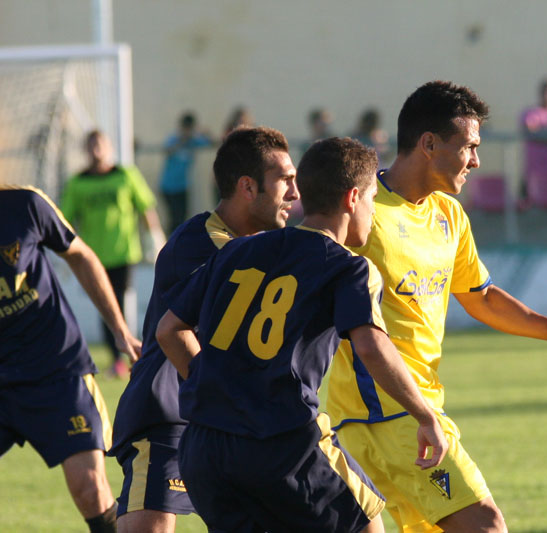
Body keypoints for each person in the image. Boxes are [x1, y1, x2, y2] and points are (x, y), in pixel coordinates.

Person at [326, 81, 547, 532]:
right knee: (486, 525)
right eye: (469, 146)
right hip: (387, 413)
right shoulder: (364, 212)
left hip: (414, 413)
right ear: (428, 144)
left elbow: (480, 297)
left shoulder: (448, 214)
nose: (477, 160)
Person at [156, 137, 448, 532]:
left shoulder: (237, 251)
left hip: (205, 450)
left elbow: (169, 329)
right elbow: (371, 346)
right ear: (352, 198)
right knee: (367, 524)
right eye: (372, 200)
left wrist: (219, 389)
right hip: (283, 442)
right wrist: (425, 415)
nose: (373, 214)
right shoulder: (348, 267)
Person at [109, 126, 299, 533]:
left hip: (229, 423)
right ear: (248, 187)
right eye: (285, 180)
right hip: (169, 416)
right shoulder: (202, 245)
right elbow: (175, 333)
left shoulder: (254, 247)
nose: (295, 194)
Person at [0, 184, 141, 533]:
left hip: (55, 369)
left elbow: (81, 255)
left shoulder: (25, 204)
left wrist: (119, 330)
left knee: (90, 488)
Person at [60, 130, 165, 378]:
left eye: (100, 143)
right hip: (93, 257)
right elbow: (65, 220)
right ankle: (118, 359)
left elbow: (145, 207)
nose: (96, 148)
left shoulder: (125, 175)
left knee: (119, 301)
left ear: (108, 147)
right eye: (91, 144)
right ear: (86, 149)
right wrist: (63, 254)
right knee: (103, 306)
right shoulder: (78, 183)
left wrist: (154, 237)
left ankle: (132, 353)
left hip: (124, 252)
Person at [159, 111, 213, 233]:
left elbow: (211, 142)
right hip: (168, 186)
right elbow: (168, 151)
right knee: (174, 218)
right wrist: (183, 140)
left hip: (182, 186)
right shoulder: (173, 139)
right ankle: (170, 242)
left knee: (182, 217)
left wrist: (204, 133)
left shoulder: (194, 140)